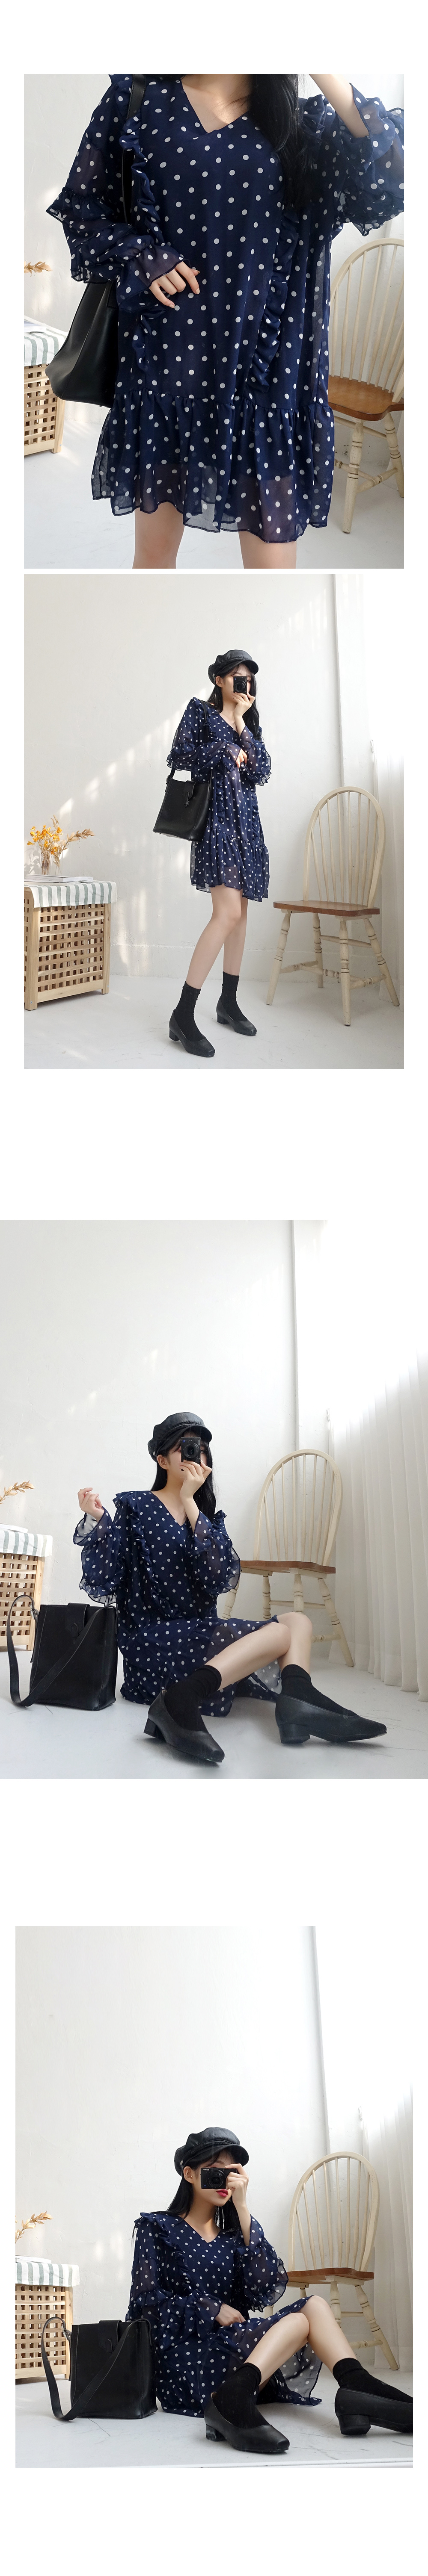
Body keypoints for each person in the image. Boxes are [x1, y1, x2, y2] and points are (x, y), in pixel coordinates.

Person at [47, 75, 404, 569]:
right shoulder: (139, 100)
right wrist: (142, 256)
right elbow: (84, 207)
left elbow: (389, 180)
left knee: (273, 568)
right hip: (170, 362)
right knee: (153, 558)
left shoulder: (304, 125)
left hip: (268, 376)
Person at [74, 1409, 386, 1764]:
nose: (198, 1456)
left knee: (299, 1621)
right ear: (162, 1460)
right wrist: (98, 1521)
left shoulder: (207, 1518)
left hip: (201, 1636)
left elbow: (218, 1578)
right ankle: (185, 1698)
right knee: (282, 1633)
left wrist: (190, 1502)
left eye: (203, 1450)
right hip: (153, 1642)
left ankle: (297, 1703)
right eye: (187, 1448)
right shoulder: (137, 1506)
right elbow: (106, 1578)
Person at [126, 2126, 413, 2452]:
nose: (225, 2180)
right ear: (189, 2174)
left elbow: (264, 2287)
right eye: (215, 2170)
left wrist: (243, 2209)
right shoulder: (157, 2228)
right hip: (188, 2362)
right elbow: (144, 2305)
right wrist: (210, 2307)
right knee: (301, 2319)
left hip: (241, 2357)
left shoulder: (236, 2237)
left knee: (315, 2305)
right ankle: (351, 2394)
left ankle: (354, 2385)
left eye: (232, 2172)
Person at [167, 651, 270, 1059]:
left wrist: (241, 725)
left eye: (249, 679)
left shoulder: (250, 724)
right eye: (237, 677)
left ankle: (228, 1003)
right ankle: (183, 1014)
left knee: (240, 916)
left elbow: (262, 771)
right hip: (218, 826)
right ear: (219, 679)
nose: (245, 684)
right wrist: (223, 749)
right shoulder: (200, 712)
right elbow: (179, 757)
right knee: (226, 914)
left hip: (248, 829)